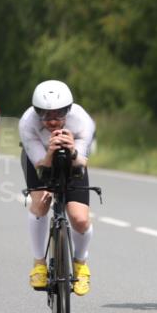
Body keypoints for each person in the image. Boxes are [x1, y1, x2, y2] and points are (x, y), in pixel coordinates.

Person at [19, 80, 96, 296]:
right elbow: (41, 167)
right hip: (40, 161)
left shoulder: (81, 121)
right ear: (36, 113)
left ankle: (80, 263)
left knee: (79, 219)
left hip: (73, 161)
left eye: (59, 114)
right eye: (45, 115)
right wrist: (50, 152)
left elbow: (80, 164)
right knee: (41, 202)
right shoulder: (27, 123)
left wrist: (71, 150)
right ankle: (39, 263)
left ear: (68, 110)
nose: (53, 121)